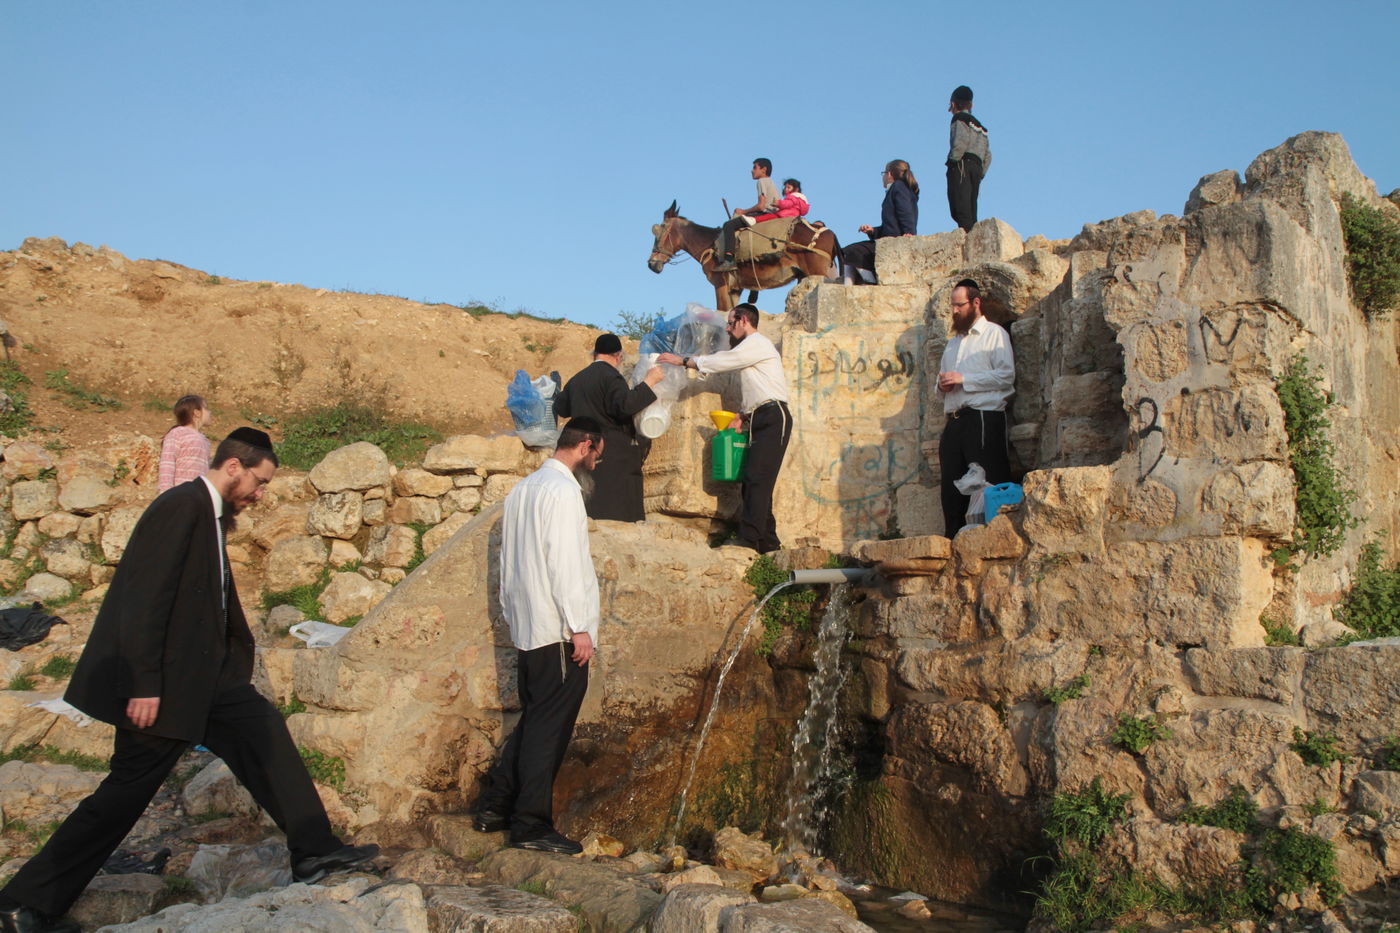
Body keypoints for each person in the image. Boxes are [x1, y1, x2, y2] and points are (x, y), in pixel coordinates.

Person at [0, 428, 377, 933]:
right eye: (259, 483)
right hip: (163, 687)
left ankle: (315, 851)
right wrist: (143, 683)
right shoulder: (181, 507)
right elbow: (143, 600)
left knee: (264, 733)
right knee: (123, 796)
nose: (261, 495)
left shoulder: (210, 514)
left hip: (206, 679)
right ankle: (24, 904)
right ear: (234, 466)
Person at [472, 417, 605, 855]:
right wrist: (579, 627)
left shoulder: (523, 490)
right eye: (597, 455)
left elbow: (509, 564)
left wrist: (514, 618)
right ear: (586, 445)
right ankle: (530, 825)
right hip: (559, 632)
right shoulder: (564, 491)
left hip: (530, 629)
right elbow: (564, 562)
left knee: (534, 723)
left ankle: (495, 806)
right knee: (549, 731)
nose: (596, 464)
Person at [657, 304, 790, 553]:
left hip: (774, 416)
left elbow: (723, 361)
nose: (728, 329)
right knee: (754, 480)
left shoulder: (757, 343)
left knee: (756, 479)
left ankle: (748, 540)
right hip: (760, 416)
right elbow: (759, 386)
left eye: (730, 323)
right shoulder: (752, 348)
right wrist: (743, 414)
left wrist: (685, 361)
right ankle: (769, 543)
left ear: (742, 321)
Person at [554, 334, 664, 522]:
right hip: (612, 452)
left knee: (590, 502)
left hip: (583, 451)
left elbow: (561, 408)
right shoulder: (611, 377)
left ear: (594, 355)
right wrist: (649, 382)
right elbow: (625, 406)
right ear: (619, 356)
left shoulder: (577, 379)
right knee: (619, 510)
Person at [937, 279, 1014, 536]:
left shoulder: (995, 334)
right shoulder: (952, 344)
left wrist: (964, 379)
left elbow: (1006, 376)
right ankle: (953, 545)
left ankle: (993, 540)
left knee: (988, 482)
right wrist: (943, 385)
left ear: (976, 302)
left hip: (984, 417)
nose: (955, 311)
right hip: (954, 420)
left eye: (960, 305)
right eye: (953, 306)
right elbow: (941, 383)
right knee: (951, 489)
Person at [842, 160, 919, 285]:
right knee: (849, 251)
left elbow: (905, 212)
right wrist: (873, 231)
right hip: (887, 237)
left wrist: (909, 232)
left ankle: (869, 282)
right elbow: (890, 224)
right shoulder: (898, 189)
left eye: (883, 173)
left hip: (893, 240)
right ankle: (849, 286)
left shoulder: (898, 187)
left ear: (889, 174)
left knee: (853, 251)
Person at [714, 158, 780, 272]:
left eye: (755, 167)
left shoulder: (761, 182)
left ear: (764, 169)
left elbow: (761, 206)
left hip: (765, 213)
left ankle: (729, 260)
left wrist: (743, 211)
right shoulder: (771, 182)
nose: (752, 170)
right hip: (772, 213)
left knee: (728, 225)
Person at [946, 85, 991, 232]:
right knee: (972, 206)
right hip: (977, 167)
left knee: (959, 204)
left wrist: (953, 161)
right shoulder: (982, 127)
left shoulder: (959, 119)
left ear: (953, 103)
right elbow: (988, 155)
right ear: (971, 104)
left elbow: (960, 141)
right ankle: (972, 233)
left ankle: (966, 236)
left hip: (962, 164)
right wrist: (981, 172)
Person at [157, 394, 213, 491]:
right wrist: (166, 494)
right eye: (206, 408)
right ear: (197, 413)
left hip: (198, 495)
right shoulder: (177, 434)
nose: (210, 412)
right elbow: (167, 465)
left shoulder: (205, 440)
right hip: (180, 495)